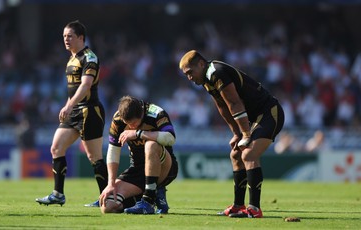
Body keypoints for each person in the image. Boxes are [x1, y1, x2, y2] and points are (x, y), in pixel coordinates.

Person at [179, 50, 284, 218]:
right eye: (186, 75)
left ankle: (254, 209)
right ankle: (238, 206)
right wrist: (237, 134)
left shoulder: (217, 72)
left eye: (190, 72)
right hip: (255, 118)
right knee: (236, 154)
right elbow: (223, 107)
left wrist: (245, 134)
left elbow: (235, 103)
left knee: (249, 155)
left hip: (269, 113)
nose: (189, 77)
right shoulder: (207, 79)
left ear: (200, 64)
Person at [35, 20, 107, 206]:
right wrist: (68, 106)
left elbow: (86, 85)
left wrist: (68, 106)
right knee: (56, 148)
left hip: (89, 111)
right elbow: (74, 89)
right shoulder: (72, 58)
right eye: (64, 36)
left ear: (80, 38)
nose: (66, 40)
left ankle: (108, 198)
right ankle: (58, 194)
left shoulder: (89, 58)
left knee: (94, 157)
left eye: (70, 36)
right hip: (74, 111)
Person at [99, 95, 178, 214]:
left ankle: (148, 201)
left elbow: (170, 138)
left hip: (164, 166)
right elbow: (113, 150)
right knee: (108, 206)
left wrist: (138, 133)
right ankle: (150, 195)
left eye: (134, 123)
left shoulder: (156, 113)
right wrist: (111, 184)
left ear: (141, 114)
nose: (131, 126)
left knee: (150, 145)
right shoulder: (118, 119)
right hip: (138, 169)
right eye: (128, 123)